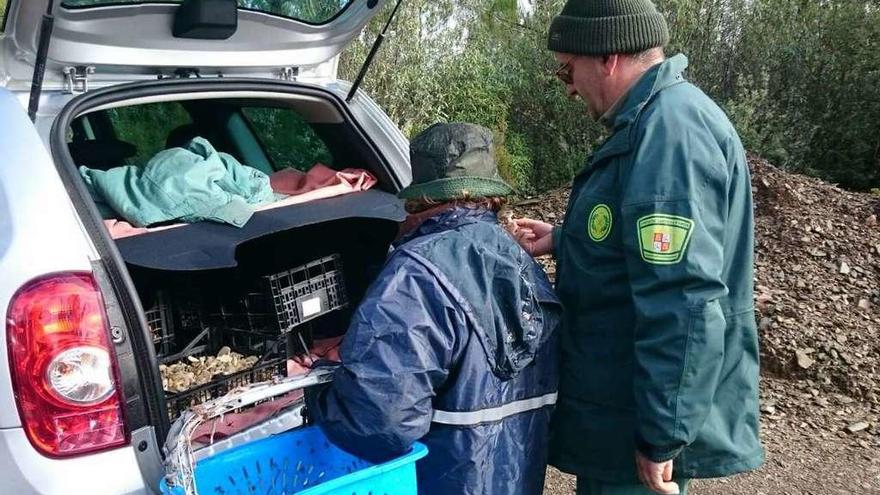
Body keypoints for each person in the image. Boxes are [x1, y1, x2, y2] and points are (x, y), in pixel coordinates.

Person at [511, 1, 764, 494]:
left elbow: (683, 298)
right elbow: (643, 245)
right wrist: (566, 239)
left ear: (607, 57)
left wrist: (660, 435)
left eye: (568, 68)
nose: (566, 85)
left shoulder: (669, 134)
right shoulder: (652, 121)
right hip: (620, 411)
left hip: (635, 420)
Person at [306, 122, 561, 495]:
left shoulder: (413, 274)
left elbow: (379, 423)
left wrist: (319, 389)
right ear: (488, 195)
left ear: (421, 200)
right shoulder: (523, 263)